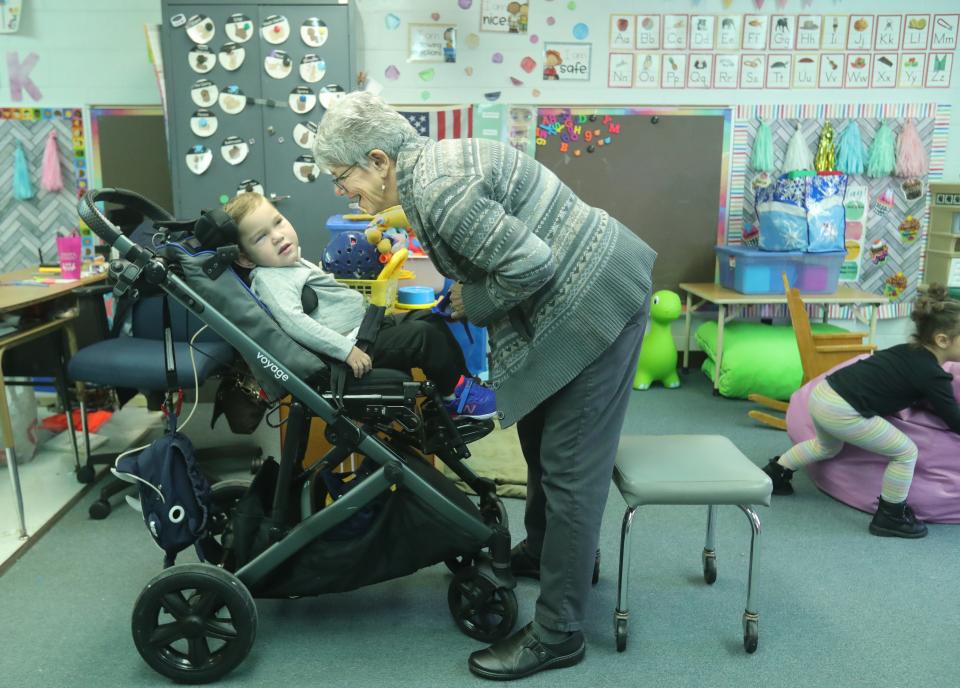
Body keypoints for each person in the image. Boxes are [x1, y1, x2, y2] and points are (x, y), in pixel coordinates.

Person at [312, 92, 656, 680]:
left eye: (343, 177)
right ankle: (552, 554)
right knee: (539, 436)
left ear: (378, 159)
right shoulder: (428, 172)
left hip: (598, 297)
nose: (342, 191)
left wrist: (472, 300)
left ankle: (558, 633)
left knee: (570, 465)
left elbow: (532, 266)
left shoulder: (439, 189)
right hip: (578, 288)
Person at [223, 191, 496, 419]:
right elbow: (295, 323)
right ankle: (460, 399)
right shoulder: (270, 278)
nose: (277, 236)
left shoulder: (288, 265)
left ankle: (460, 388)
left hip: (363, 331)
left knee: (429, 319)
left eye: (278, 222)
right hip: (349, 348)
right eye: (260, 237)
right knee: (423, 338)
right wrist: (346, 352)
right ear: (246, 259)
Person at [763, 285, 960, 539]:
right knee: (906, 452)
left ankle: (775, 474)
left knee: (827, 447)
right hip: (842, 409)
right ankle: (890, 515)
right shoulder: (934, 375)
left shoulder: (907, 351)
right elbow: (953, 420)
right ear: (942, 340)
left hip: (823, 394)